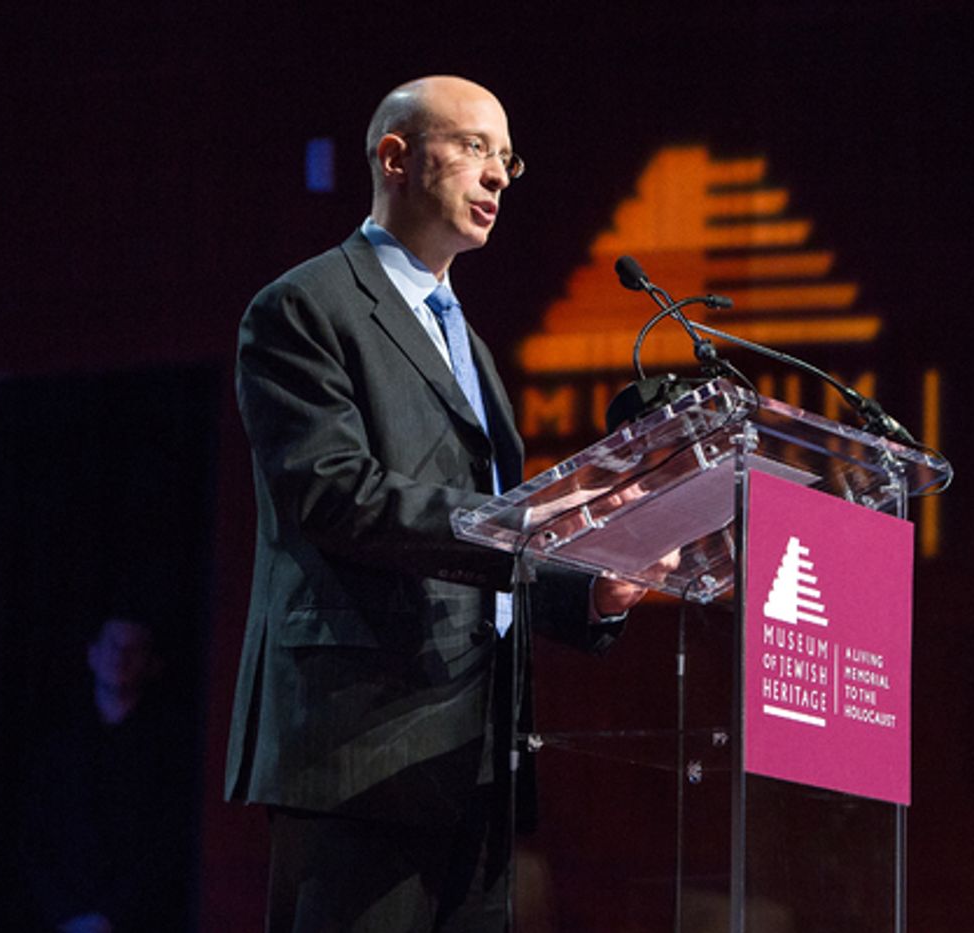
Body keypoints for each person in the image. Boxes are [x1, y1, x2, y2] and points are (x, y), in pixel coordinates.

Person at [225, 75, 657, 932]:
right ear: (395, 156)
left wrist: (590, 590)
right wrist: (527, 518)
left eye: (507, 158)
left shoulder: (471, 344)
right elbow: (334, 494)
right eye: (474, 148)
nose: (498, 175)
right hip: (359, 748)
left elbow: (488, 538)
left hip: (477, 753)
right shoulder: (305, 308)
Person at [20, 617, 192, 933]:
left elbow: (169, 841)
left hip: (140, 920)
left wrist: (112, 916)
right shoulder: (58, 744)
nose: (120, 656)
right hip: (61, 917)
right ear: (92, 654)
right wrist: (66, 914)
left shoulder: (170, 748)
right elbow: (34, 834)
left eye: (134, 649)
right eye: (113, 645)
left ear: (151, 663)